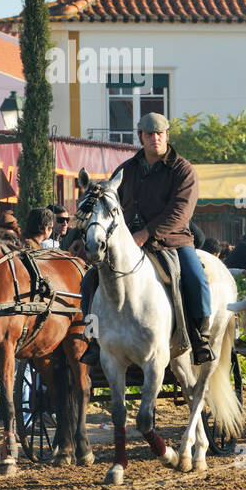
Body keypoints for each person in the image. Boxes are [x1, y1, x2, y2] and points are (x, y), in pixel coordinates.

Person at [80, 113, 215, 365]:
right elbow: (110, 204)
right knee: (89, 283)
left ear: (167, 135)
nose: (155, 138)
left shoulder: (182, 170)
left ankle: (199, 338)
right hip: (126, 245)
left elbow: (180, 212)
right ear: (140, 137)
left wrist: (146, 233)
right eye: (149, 134)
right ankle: (93, 339)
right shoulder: (126, 170)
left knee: (196, 279)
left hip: (172, 241)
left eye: (159, 133)